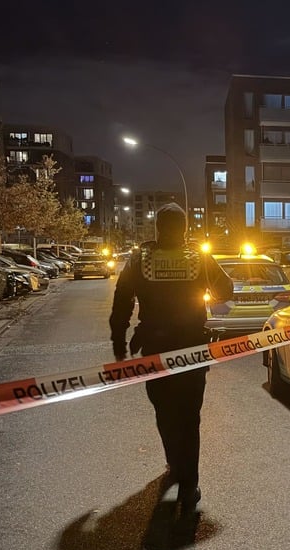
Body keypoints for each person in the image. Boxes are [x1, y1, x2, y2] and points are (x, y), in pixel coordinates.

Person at [109, 203, 233, 516]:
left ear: (159, 229)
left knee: (164, 412)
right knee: (190, 418)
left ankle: (175, 467)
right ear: (184, 229)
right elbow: (226, 289)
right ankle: (189, 485)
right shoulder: (200, 258)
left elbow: (122, 299)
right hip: (191, 348)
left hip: (155, 349)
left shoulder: (140, 259)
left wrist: (118, 338)